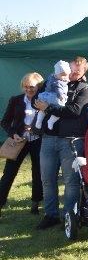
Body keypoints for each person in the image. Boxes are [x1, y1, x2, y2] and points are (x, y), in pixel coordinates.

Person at [33, 56, 88, 230]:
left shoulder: (85, 89)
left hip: (71, 141)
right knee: (47, 179)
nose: (71, 74)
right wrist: (41, 103)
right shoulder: (52, 80)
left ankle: (70, 216)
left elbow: (75, 111)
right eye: (70, 69)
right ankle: (51, 215)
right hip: (48, 138)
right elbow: (35, 100)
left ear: (83, 73)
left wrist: (48, 107)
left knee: (70, 181)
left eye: (77, 72)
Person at [0, 73, 44, 217]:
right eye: (25, 87)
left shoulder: (44, 100)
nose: (28, 89)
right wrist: (13, 133)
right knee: (8, 173)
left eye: (31, 87)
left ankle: (35, 205)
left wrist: (36, 129)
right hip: (19, 141)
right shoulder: (16, 100)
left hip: (38, 140)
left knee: (38, 173)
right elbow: (5, 121)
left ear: (38, 86)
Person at [32, 60, 69, 132]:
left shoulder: (51, 77)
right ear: (57, 74)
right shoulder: (58, 81)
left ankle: (38, 121)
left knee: (42, 110)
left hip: (44, 96)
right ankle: (51, 121)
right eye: (63, 75)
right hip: (54, 98)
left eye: (66, 75)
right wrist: (60, 95)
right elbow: (58, 88)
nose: (65, 77)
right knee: (60, 109)